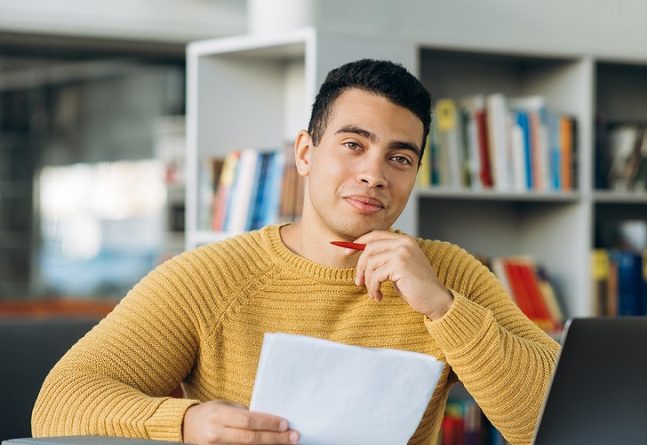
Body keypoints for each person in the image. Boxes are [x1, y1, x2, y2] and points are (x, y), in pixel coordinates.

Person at [32, 59, 560, 445]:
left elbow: (550, 421)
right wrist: (188, 423)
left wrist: (443, 308)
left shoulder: (447, 274)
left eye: (399, 158)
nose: (373, 174)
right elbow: (59, 404)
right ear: (306, 153)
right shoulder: (209, 278)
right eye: (353, 145)